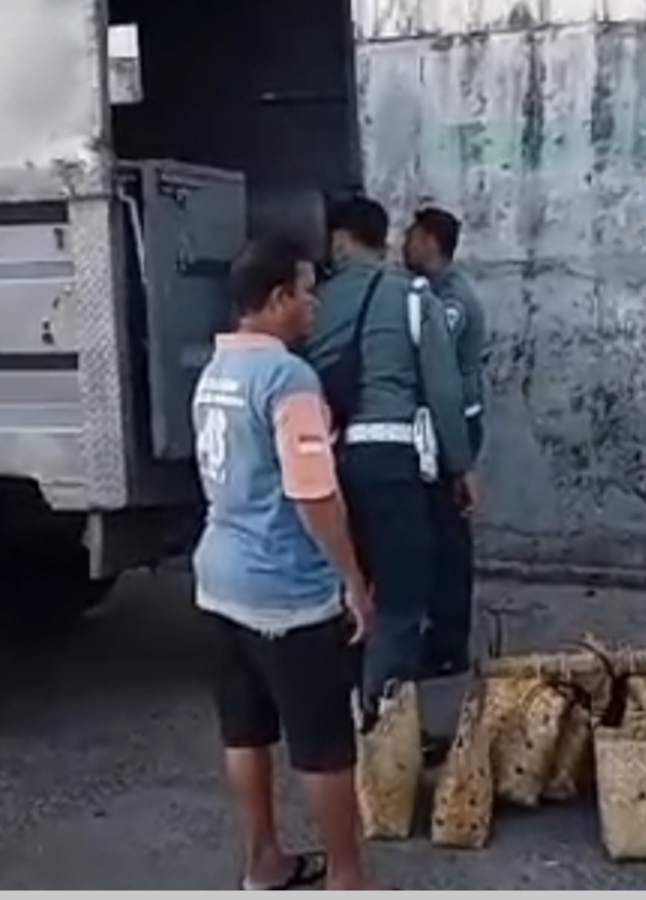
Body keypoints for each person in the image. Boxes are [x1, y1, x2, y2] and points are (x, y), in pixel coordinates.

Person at [190, 236, 384, 891]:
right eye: (305, 291)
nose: (314, 303)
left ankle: (262, 863)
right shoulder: (288, 378)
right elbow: (312, 493)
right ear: (277, 300)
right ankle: (347, 878)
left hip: (219, 580)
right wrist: (353, 579)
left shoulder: (216, 371)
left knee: (245, 732)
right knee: (324, 744)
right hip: (285, 591)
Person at [302, 196, 475, 720]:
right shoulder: (412, 295)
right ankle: (384, 725)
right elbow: (443, 390)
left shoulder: (318, 302)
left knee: (351, 585)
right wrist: (460, 465)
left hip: (332, 464)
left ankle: (347, 712)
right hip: (395, 463)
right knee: (402, 596)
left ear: (340, 241)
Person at [400, 206, 487, 681]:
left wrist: (458, 458)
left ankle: (449, 644)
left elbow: (433, 364)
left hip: (453, 426)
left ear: (431, 242)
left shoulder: (451, 302)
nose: (403, 243)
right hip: (438, 425)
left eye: (412, 236)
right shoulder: (431, 292)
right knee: (434, 532)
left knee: (449, 537)